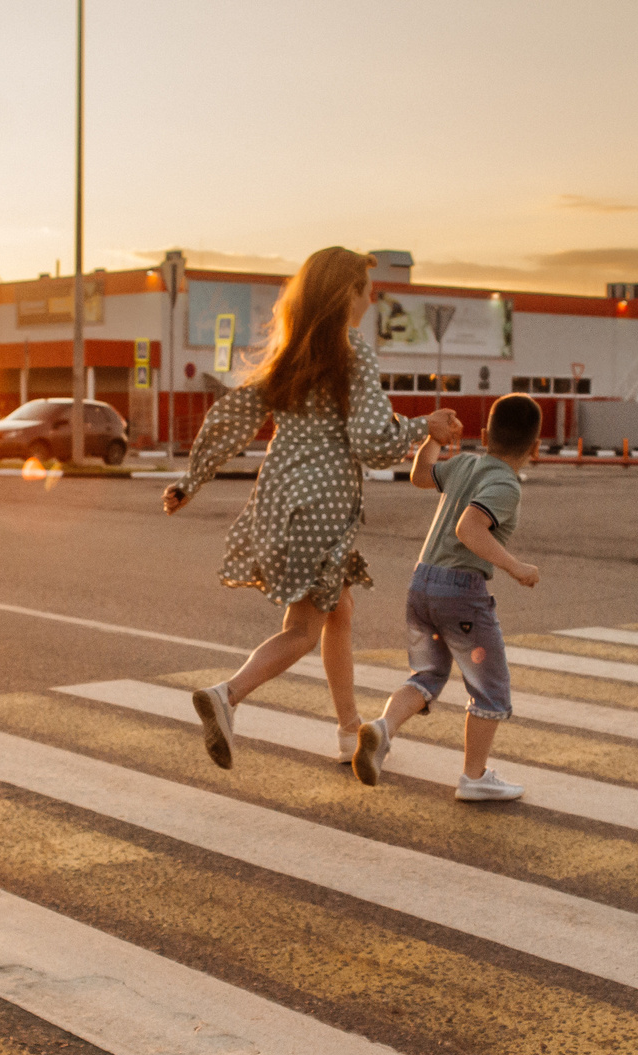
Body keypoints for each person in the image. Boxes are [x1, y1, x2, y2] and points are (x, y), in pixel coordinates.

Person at [163, 246, 462, 770]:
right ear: (346, 292)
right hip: (323, 504)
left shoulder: (292, 353)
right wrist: (425, 428)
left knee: (338, 611)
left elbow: (229, 418)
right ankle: (226, 695)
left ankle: (350, 732)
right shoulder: (353, 352)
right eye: (367, 289)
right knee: (304, 629)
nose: (371, 299)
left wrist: (191, 481)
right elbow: (371, 442)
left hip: (279, 500)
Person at [353, 392, 542, 801]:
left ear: (486, 433)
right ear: (536, 447)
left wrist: (433, 440)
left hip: (421, 586)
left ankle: (382, 729)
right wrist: (515, 567)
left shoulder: (465, 463)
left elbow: (421, 476)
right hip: (461, 594)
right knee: (490, 688)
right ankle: (474, 778)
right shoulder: (505, 483)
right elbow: (468, 529)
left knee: (427, 676)